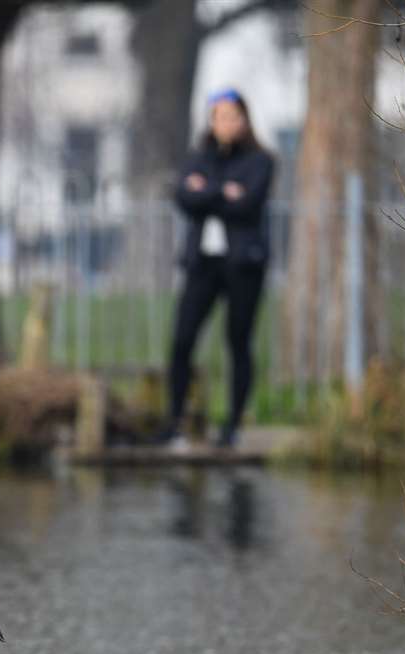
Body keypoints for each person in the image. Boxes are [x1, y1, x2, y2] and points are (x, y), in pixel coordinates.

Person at [161, 88, 276, 450]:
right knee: (182, 339)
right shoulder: (199, 157)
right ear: (211, 121)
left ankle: (233, 424)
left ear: (244, 120)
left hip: (243, 264)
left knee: (237, 341)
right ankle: (174, 421)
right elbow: (182, 198)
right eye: (219, 116)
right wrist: (222, 191)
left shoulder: (261, 161)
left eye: (232, 116)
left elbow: (247, 205)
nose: (225, 123)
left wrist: (204, 193)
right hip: (204, 263)